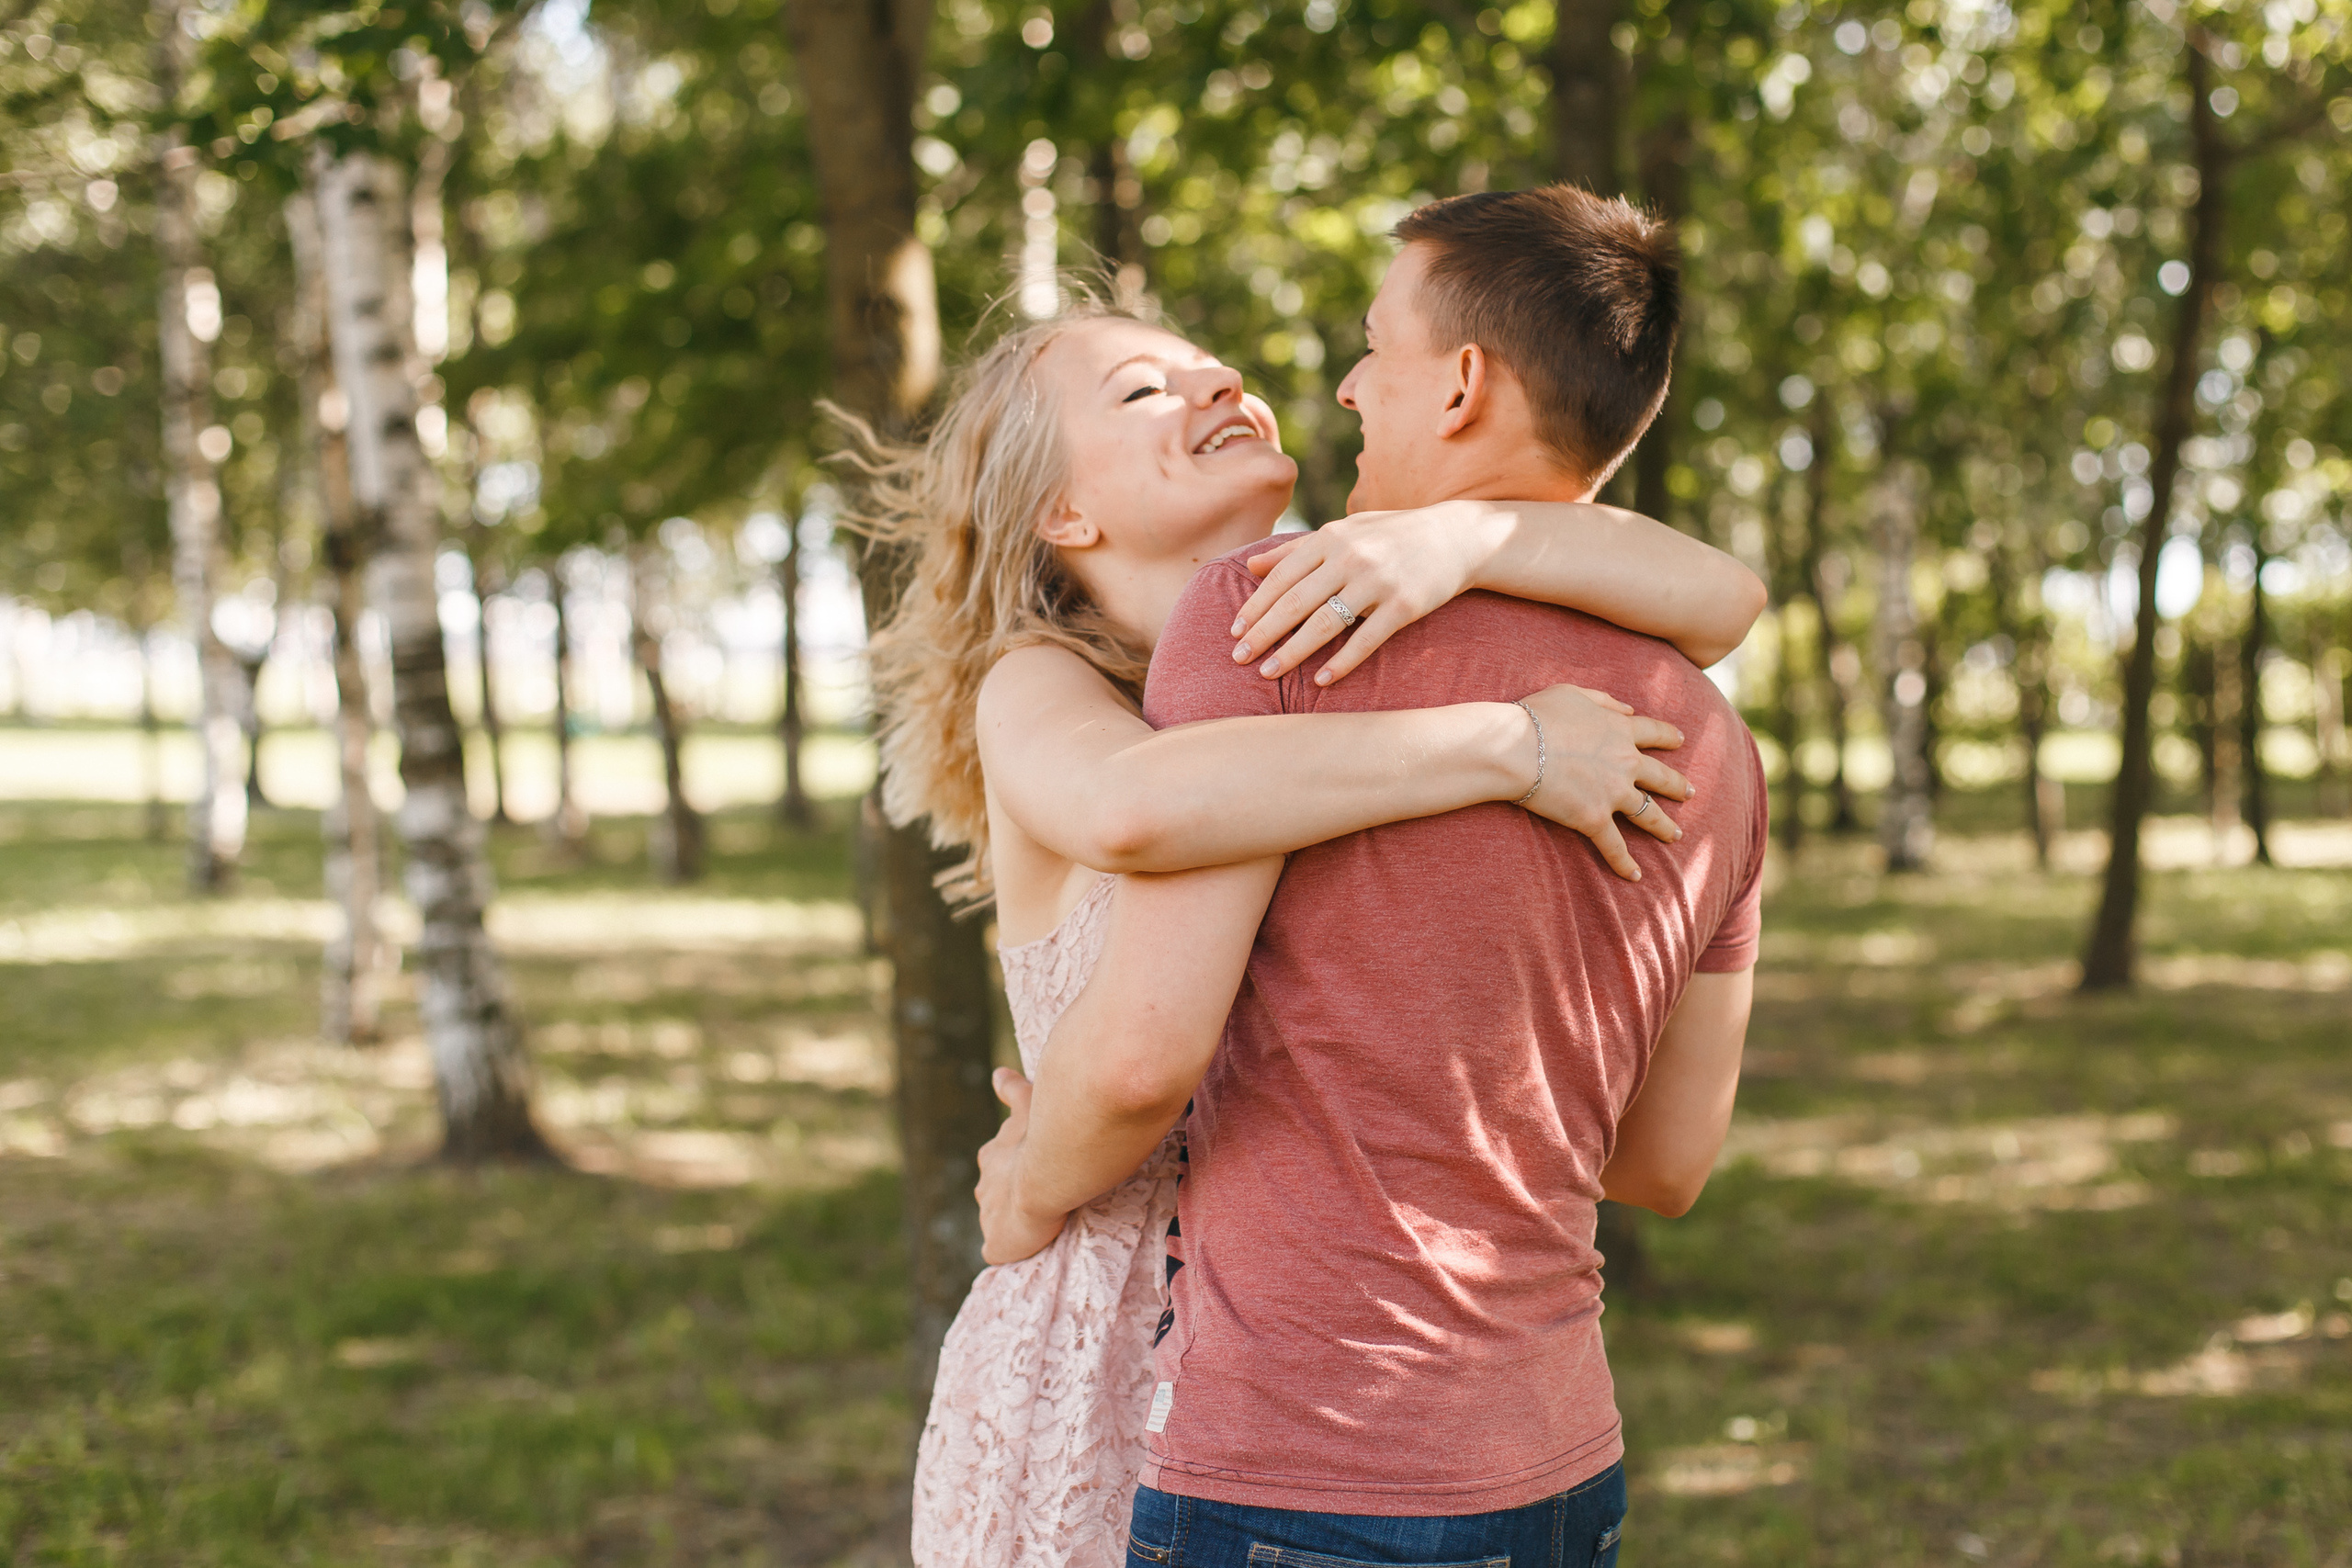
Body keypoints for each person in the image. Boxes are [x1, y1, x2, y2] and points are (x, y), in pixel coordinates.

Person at [860, 276, 1765, 1565]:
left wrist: (1464, 542)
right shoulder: (1040, 683)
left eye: (1211, 364)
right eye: (1143, 390)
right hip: (1106, 1350)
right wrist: (1511, 744)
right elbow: (1134, 806)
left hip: (1290, 1395)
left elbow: (1721, 593)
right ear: (1063, 509)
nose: (1219, 383)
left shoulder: (1313, 659)